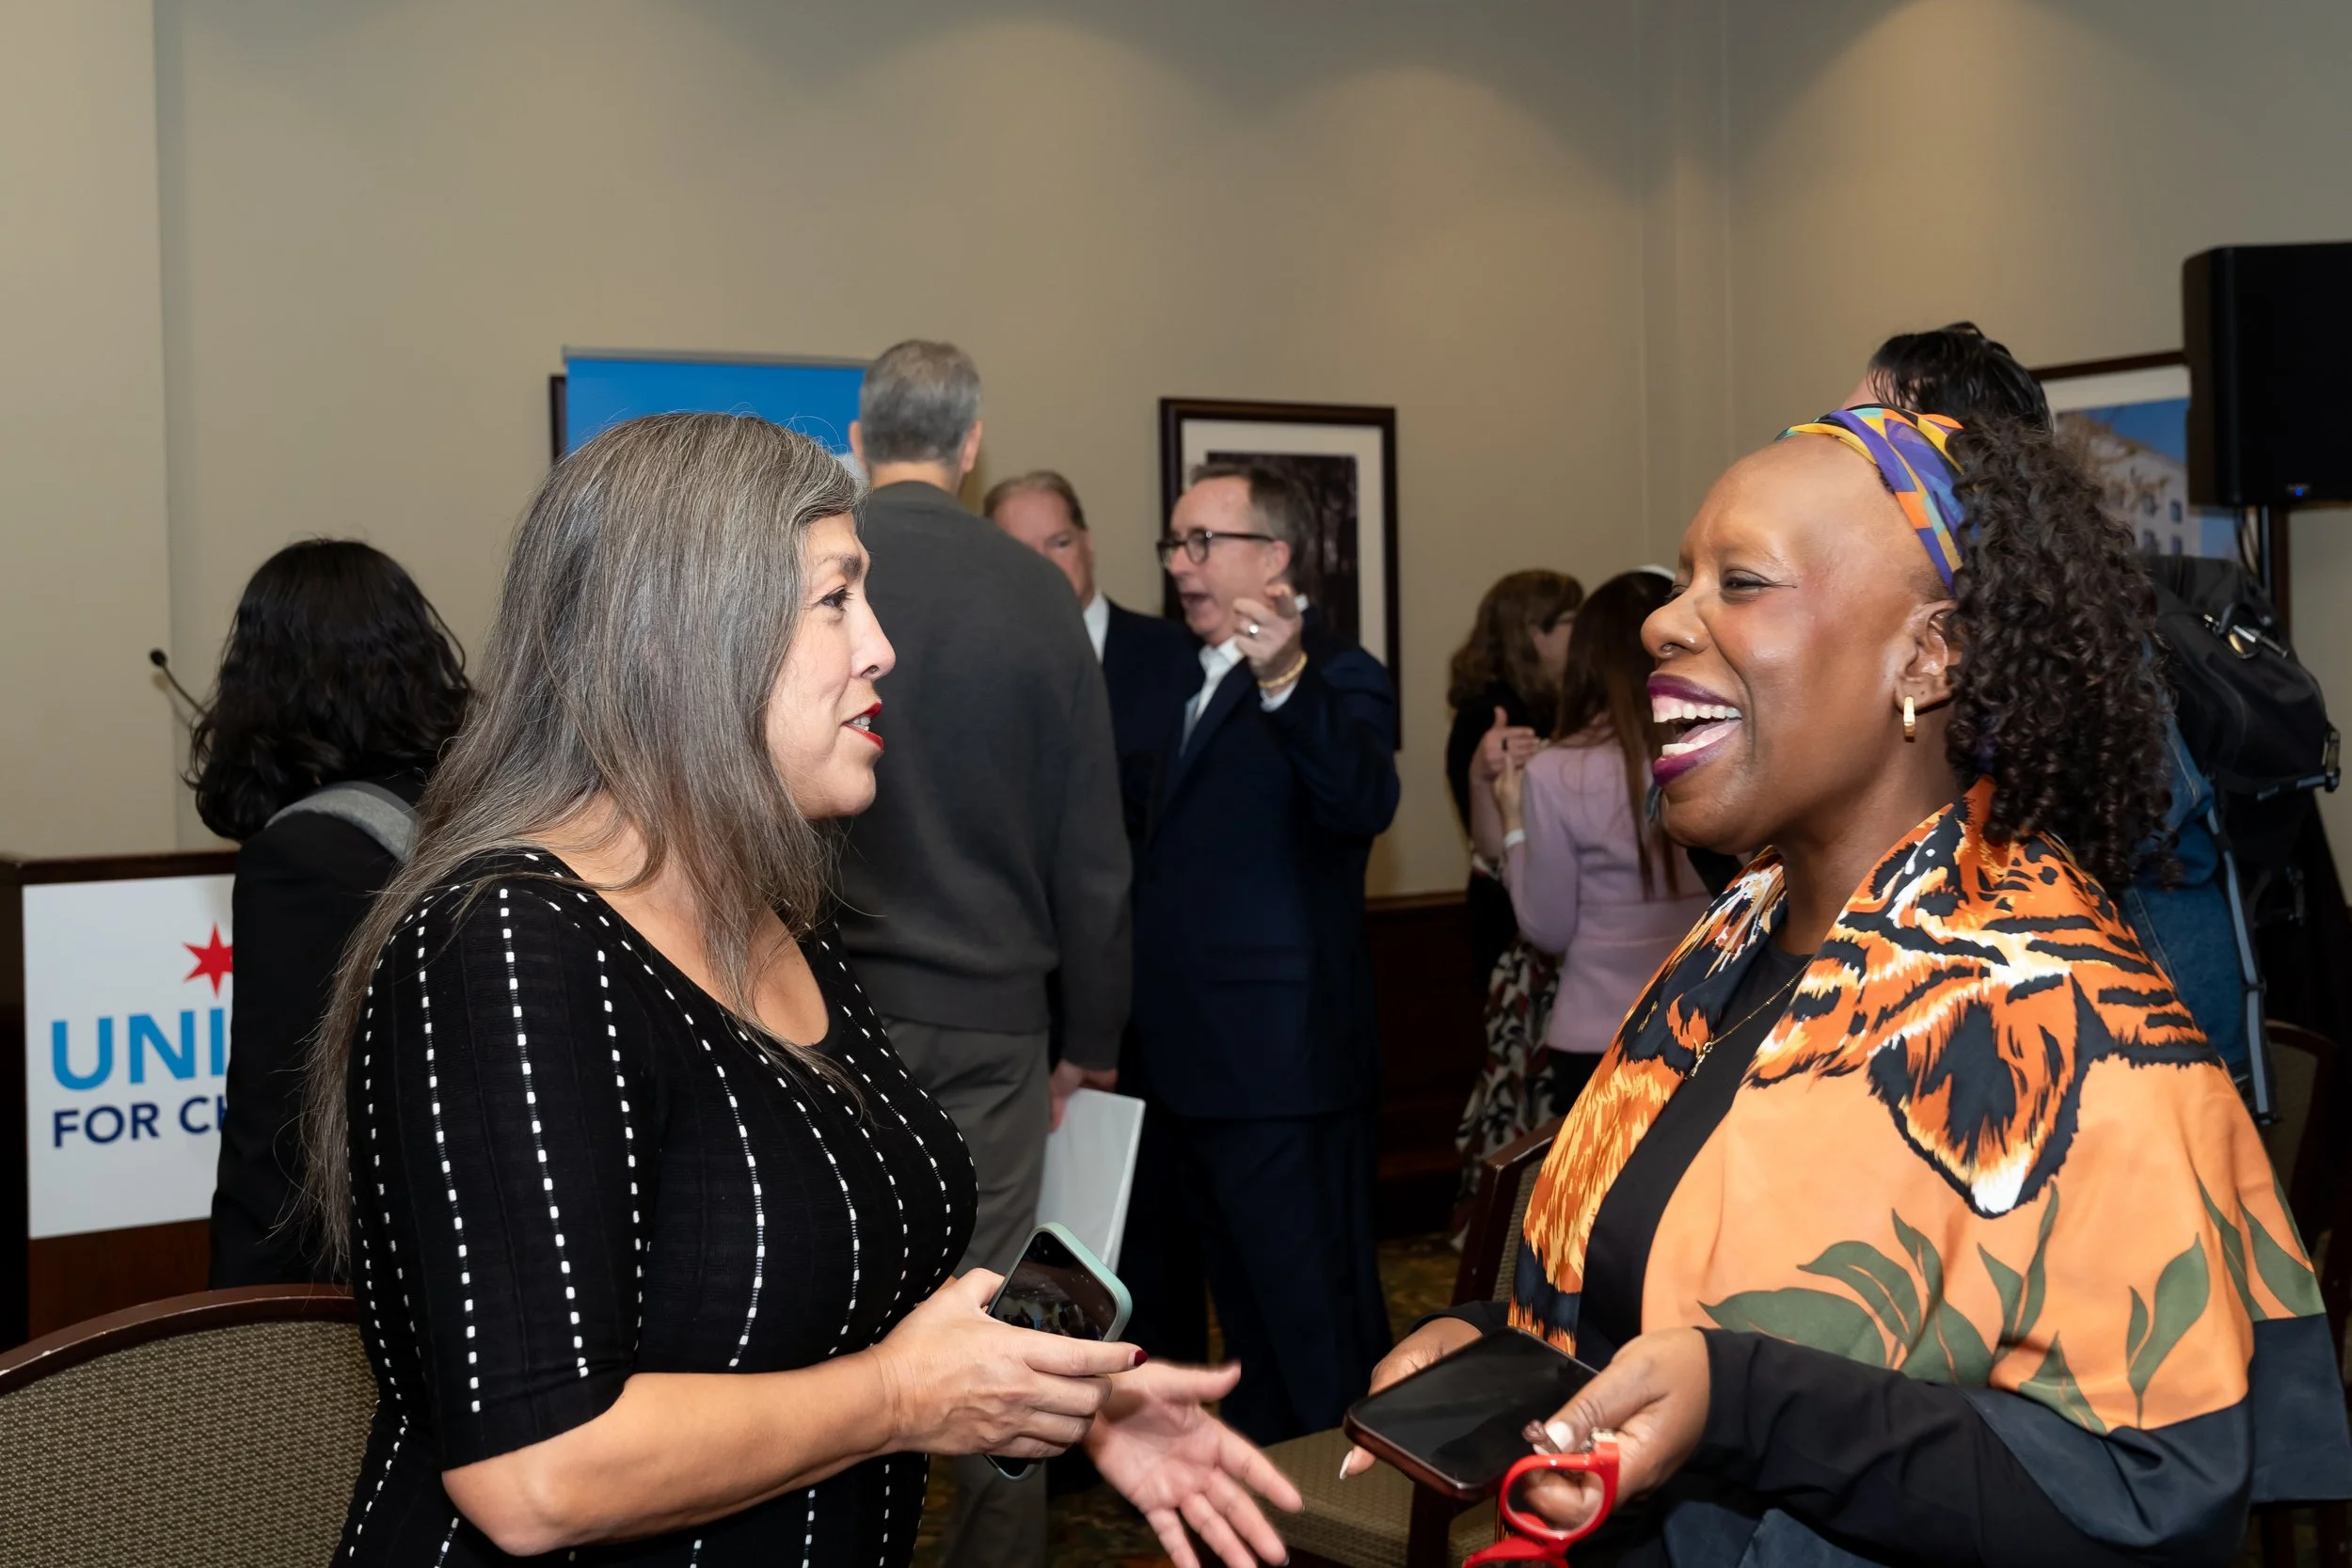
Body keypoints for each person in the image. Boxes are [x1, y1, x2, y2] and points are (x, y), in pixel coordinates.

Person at [1343, 407, 2352, 1562]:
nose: (1664, 619)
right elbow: (1665, 1284)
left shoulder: (2071, 1021)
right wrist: (1497, 1343)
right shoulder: (1729, 944)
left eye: (1740, 581)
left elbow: (2148, 1500)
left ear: (1925, 657)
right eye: (1682, 578)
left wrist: (1739, 1400)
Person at [300, 413, 1299, 1568]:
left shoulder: (774, 916)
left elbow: (809, 1279)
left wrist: (1053, 1391)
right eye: (836, 599)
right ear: (678, 636)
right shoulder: (502, 944)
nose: (881, 646)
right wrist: (904, 1397)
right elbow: (537, 1471)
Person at [835, 341, 1134, 1565]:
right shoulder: (1036, 594)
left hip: (826, 1012)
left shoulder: (813, 570)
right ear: (971, 445)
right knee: (1006, 1315)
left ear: (861, 440)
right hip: (997, 1022)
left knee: (831, 1306)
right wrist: (1092, 1039)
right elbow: (1093, 852)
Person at [1852, 321, 2254, 1082]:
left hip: (2153, 1019)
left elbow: (2138, 822)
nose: (1849, 450)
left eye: (1874, 428)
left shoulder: (2062, 614)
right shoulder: (1955, 601)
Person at [1122, 462, 1400, 1446]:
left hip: (1284, 1073)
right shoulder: (1182, 677)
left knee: (1316, 1328)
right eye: (1174, 543)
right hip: (1189, 1071)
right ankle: (1276, 1503)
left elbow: (1363, 799)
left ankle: (1354, 1514)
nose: (1180, 564)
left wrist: (1285, 678)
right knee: (1245, 1335)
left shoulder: (1339, 672)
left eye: (1203, 542)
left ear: (1275, 556)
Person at [189, 539, 467, 1289]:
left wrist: (243, 1318)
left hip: (361, 1288)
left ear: (260, 680)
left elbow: (281, 1140)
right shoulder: (472, 814)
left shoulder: (301, 859)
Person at [1454, 571, 1708, 1173]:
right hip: (1701, 1022)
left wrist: (1513, 823)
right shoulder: (1709, 750)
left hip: (1596, 1033)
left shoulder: (1557, 772)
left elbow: (1547, 928)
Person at [984, 468, 1193, 900]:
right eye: (1019, 551)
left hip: (1151, 917)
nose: (1044, 565)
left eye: (1059, 543)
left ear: (1088, 543)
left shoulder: (1176, 655)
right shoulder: (974, 671)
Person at [1444, 571, 1583, 984]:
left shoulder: (1553, 706)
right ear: (1534, 634)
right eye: (1573, 620)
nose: (1584, 633)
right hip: (1514, 917)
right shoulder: (1492, 717)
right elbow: (1494, 842)